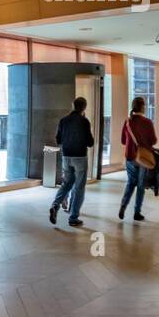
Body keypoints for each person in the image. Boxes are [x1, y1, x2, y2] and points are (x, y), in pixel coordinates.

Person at [49, 96, 94, 228]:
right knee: (79, 187)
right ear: (84, 107)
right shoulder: (84, 121)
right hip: (80, 157)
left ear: (73, 105)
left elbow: (58, 140)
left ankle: (55, 205)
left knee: (66, 184)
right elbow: (90, 142)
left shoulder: (63, 120)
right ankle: (73, 218)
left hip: (66, 156)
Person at [120, 96, 158, 221]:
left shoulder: (127, 122)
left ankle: (123, 206)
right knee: (141, 185)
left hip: (130, 157)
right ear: (143, 107)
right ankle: (137, 212)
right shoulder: (147, 122)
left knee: (131, 183)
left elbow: (123, 141)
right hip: (143, 159)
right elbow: (153, 140)